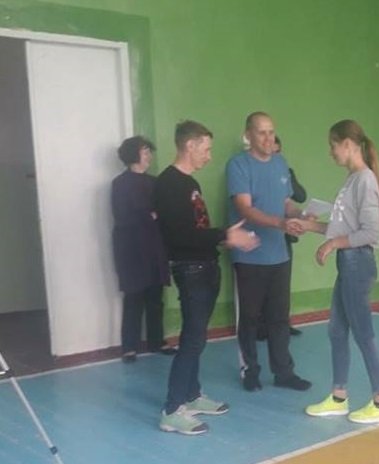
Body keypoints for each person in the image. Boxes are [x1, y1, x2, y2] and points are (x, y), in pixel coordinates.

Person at [155, 120, 258, 436]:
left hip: (204, 266)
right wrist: (224, 234)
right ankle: (172, 409)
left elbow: (196, 232)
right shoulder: (168, 184)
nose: (209, 156)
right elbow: (179, 235)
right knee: (192, 339)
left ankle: (192, 394)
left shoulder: (190, 183)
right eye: (206, 149)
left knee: (197, 337)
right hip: (191, 270)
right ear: (190, 146)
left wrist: (223, 239)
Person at [299, 119, 379, 424]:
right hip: (348, 263)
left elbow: (371, 233)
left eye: (333, 145)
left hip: (358, 264)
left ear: (348, 145)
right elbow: (343, 227)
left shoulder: (365, 180)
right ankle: (339, 397)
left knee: (363, 333)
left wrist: (332, 244)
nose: (331, 152)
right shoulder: (352, 179)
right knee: (337, 330)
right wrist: (310, 226)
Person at [227, 112, 311, 393]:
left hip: (279, 254)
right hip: (249, 254)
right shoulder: (238, 165)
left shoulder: (280, 163)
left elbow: (286, 203)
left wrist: (301, 215)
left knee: (279, 318)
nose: (268, 138)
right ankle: (250, 370)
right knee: (250, 318)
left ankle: (284, 372)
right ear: (248, 135)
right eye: (261, 132)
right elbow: (245, 208)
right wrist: (280, 223)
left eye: (271, 132)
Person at [111, 136, 173, 363]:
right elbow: (122, 216)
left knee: (156, 296)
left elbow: (162, 213)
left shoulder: (155, 182)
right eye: (145, 151)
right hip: (131, 248)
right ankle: (129, 346)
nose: (149, 156)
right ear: (133, 155)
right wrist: (149, 216)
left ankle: (157, 341)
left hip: (154, 245)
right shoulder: (120, 184)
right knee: (133, 296)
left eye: (149, 151)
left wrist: (153, 217)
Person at [255, 135, 305, 341]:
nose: (274, 155)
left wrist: (287, 175)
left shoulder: (284, 170)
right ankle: (261, 327)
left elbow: (300, 196)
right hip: (261, 235)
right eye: (271, 151)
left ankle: (282, 324)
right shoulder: (253, 171)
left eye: (277, 152)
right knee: (261, 285)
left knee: (282, 285)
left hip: (283, 237)